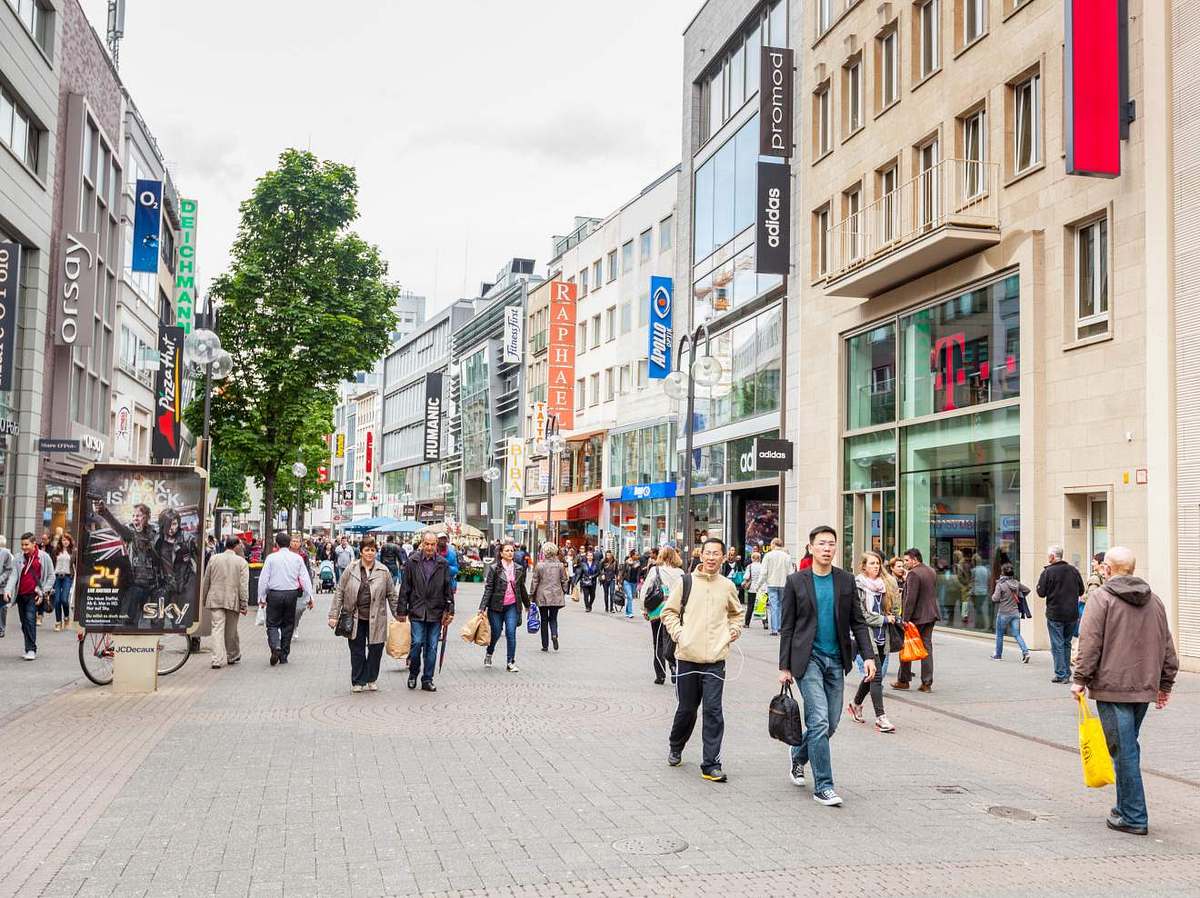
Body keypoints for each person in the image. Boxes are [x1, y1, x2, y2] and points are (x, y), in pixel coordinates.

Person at [1072, 546, 1177, 836]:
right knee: (1127, 747)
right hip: (1143, 688)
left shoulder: (1101, 598)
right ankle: (1124, 807)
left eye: (1103, 566)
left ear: (1107, 569)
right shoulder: (1154, 600)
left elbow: (1089, 642)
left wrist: (1080, 678)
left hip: (1112, 687)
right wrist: (1165, 684)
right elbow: (1167, 645)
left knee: (1124, 750)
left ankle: (1133, 816)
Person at [779, 526, 875, 806]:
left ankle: (798, 755)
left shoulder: (845, 581)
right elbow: (787, 627)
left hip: (837, 660)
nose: (827, 548)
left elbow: (857, 621)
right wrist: (783, 666)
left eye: (831, 544)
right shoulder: (796, 581)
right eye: (821, 544)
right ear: (810, 547)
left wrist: (868, 656)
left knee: (831, 723)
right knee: (818, 720)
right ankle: (824, 786)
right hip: (807, 659)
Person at [662, 537, 741, 782]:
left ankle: (710, 764)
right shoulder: (686, 582)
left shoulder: (727, 585)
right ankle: (676, 744)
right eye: (707, 553)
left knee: (713, 710)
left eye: (716, 553)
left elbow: (737, 614)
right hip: (687, 656)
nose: (711, 557)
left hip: (716, 658)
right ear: (701, 555)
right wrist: (679, 634)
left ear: (723, 557)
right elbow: (669, 612)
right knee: (687, 709)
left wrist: (732, 632)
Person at [329, 536, 398, 692]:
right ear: (361, 552)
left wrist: (399, 614)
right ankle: (358, 681)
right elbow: (340, 591)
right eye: (367, 550)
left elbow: (392, 595)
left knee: (376, 649)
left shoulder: (383, 570)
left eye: (373, 550)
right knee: (357, 650)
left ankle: (371, 678)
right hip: (355, 617)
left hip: (377, 617)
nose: (370, 553)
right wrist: (333, 615)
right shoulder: (351, 569)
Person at [846, 552, 899, 733]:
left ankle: (855, 703)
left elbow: (894, 608)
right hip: (866, 637)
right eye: (872, 564)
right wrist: (885, 619)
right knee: (876, 677)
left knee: (871, 676)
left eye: (878, 563)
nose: (876, 566)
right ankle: (881, 718)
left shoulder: (885, 585)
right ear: (864, 566)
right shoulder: (858, 586)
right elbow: (862, 616)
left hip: (883, 636)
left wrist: (894, 615)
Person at [398, 532, 455, 691]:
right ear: (422, 543)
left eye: (432, 544)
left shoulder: (443, 564)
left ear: (436, 545)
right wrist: (402, 610)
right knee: (416, 643)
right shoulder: (412, 562)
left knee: (432, 647)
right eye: (427, 544)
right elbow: (405, 587)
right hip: (417, 610)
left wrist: (450, 610)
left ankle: (427, 679)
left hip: (436, 611)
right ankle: (413, 672)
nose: (429, 547)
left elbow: (447, 588)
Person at [257, 531, 315, 666]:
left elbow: (264, 579)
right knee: (288, 625)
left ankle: (275, 645)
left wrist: (261, 596)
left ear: (276, 543)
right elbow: (305, 578)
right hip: (291, 594)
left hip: (275, 594)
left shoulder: (271, 558)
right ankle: (284, 655)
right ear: (289, 543)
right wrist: (309, 596)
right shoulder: (297, 558)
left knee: (272, 623)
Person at [1036, 544, 1085, 683]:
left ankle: (1061, 673)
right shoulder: (1073, 571)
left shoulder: (1048, 572)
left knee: (1057, 644)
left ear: (1052, 557)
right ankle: (1066, 673)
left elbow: (1041, 592)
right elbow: (1081, 590)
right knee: (1066, 642)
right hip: (1071, 613)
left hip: (1055, 613)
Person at [892, 548, 938, 692]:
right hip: (931, 614)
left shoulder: (913, 574)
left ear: (915, 559)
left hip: (917, 617)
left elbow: (910, 599)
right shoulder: (931, 571)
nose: (905, 563)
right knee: (926, 648)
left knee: (905, 645)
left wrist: (905, 618)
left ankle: (903, 680)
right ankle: (926, 683)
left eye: (906, 560)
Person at [479, 541, 529, 672]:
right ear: (501, 553)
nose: (510, 553)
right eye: (507, 550)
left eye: (512, 550)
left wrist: (528, 604)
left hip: (512, 605)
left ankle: (510, 662)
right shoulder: (494, 568)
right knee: (496, 632)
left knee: (511, 632)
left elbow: (521, 588)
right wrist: (482, 607)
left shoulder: (518, 568)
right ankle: (489, 653)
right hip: (496, 607)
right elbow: (489, 588)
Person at [201, 537, 249, 668]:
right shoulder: (242, 562)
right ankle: (232, 655)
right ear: (237, 546)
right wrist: (244, 603)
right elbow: (243, 585)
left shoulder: (214, 559)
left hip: (215, 597)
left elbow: (206, 580)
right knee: (231, 630)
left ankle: (216, 660)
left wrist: (204, 598)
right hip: (232, 600)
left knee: (217, 628)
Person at [641, 546, 683, 685]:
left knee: (658, 642)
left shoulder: (655, 570)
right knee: (673, 641)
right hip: (675, 611)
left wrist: (644, 609)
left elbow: (646, 590)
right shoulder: (681, 573)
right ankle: (673, 667)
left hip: (658, 611)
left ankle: (660, 675)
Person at [11, 533, 53, 660]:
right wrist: (8, 590)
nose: (24, 547)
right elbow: (13, 576)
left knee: (30, 621)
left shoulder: (44, 557)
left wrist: (42, 591)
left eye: (26, 544)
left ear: (34, 544)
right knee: (24, 623)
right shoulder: (18, 558)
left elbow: (51, 576)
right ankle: (28, 646)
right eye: (22, 545)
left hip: (33, 595)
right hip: (21, 595)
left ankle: (31, 649)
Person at [529, 543, 569, 652]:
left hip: (542, 595)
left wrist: (531, 594)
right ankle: (554, 634)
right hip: (556, 594)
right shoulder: (560, 565)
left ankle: (545, 644)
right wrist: (564, 591)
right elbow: (564, 580)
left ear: (544, 552)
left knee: (544, 619)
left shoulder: (540, 565)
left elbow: (535, 581)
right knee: (553, 618)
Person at [990, 562, 1031, 662]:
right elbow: (1027, 590)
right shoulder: (1016, 583)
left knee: (1000, 634)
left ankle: (998, 655)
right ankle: (1026, 652)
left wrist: (994, 596)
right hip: (1015, 612)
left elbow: (995, 598)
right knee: (1017, 634)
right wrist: (1020, 594)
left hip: (1003, 613)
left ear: (1003, 572)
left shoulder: (1000, 584)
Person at [761, 538, 794, 636]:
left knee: (773, 606)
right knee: (782, 606)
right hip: (784, 584)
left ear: (774, 544)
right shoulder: (787, 556)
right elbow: (791, 572)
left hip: (771, 583)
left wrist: (759, 585)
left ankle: (774, 629)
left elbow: (764, 572)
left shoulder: (768, 556)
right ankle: (780, 627)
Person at [287, 533, 316, 636]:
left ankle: (295, 625)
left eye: (297, 541)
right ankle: (289, 628)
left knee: (299, 609)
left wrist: (310, 588)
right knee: (288, 609)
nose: (295, 543)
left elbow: (307, 571)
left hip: (301, 586)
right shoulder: (286, 554)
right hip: (288, 585)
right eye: (293, 541)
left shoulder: (304, 555)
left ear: (300, 543)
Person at [51, 533, 75, 631]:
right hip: (56, 577)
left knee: (64, 600)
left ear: (70, 541)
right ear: (61, 541)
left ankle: (66, 617)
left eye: (67, 540)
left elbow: (77, 565)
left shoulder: (74, 551)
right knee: (57, 601)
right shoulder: (56, 551)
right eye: (63, 540)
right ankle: (58, 622)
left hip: (67, 577)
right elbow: (52, 564)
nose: (65, 542)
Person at [971, 552, 992, 631]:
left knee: (978, 609)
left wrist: (971, 592)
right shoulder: (986, 570)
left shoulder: (974, 570)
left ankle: (980, 625)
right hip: (984, 591)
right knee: (981, 609)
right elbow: (989, 581)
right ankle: (981, 624)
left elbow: (972, 582)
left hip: (976, 592)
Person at [743, 551, 764, 629]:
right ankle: (765, 623)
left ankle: (747, 623)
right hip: (761, 588)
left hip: (752, 588)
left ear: (752, 558)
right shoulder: (762, 566)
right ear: (759, 558)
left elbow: (746, 577)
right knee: (762, 606)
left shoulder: (750, 566)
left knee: (750, 606)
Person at [621, 549, 641, 619]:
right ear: (632, 556)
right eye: (636, 555)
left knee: (631, 597)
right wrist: (620, 582)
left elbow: (639, 573)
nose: (637, 556)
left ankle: (627, 611)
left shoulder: (638, 563)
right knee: (629, 596)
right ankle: (630, 612)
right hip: (627, 581)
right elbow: (623, 572)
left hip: (634, 582)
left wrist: (638, 582)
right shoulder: (627, 562)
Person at [0, 536, 13, 638]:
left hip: (2, 586)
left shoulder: (6, 553)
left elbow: (9, 569)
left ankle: (1, 628)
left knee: (2, 608)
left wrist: (1, 579)